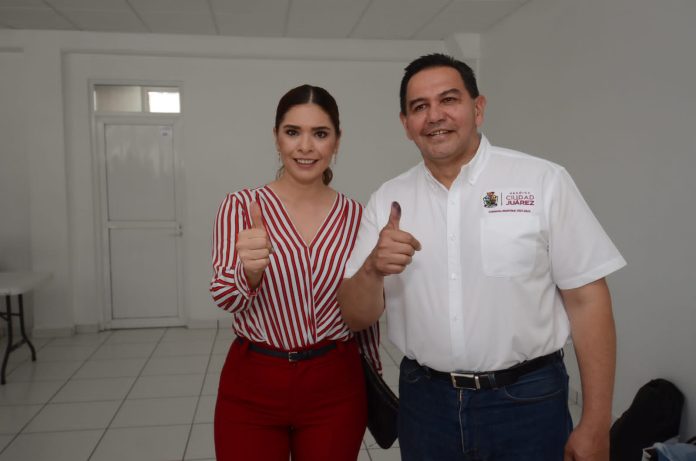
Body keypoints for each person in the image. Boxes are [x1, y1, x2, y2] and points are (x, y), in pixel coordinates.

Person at [338, 53, 626, 461]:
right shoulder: (388, 200)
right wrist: (372, 268)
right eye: (419, 107)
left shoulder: (542, 181)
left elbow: (588, 301)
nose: (434, 116)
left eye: (448, 99)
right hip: (426, 405)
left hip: (527, 402)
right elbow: (355, 317)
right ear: (406, 124)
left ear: (478, 108)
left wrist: (596, 422)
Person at [210, 84, 380, 461]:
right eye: (292, 132)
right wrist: (250, 274)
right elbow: (224, 296)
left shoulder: (357, 217)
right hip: (254, 382)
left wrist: (375, 375)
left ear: (337, 141)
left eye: (320, 133)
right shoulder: (240, 207)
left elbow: (364, 310)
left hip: (335, 383)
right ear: (276, 138)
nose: (305, 147)